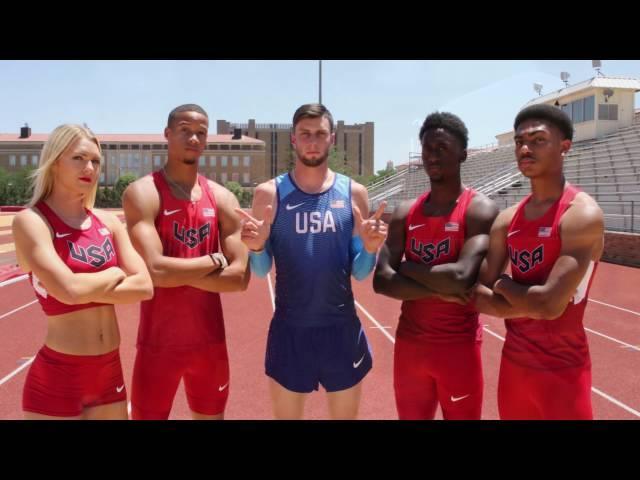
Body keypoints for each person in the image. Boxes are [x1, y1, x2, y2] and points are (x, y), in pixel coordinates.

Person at [236, 103, 387, 419]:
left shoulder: (353, 193)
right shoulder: (269, 193)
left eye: (320, 134)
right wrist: (257, 248)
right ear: (293, 139)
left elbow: (360, 273)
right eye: (305, 134)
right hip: (291, 328)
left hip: (341, 328)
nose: (313, 141)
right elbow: (262, 270)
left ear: (332, 138)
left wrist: (371, 249)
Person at [12, 124, 153, 420]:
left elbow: (143, 286)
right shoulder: (32, 221)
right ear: (55, 162)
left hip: (110, 372)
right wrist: (115, 272)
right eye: (78, 158)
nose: (90, 167)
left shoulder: (108, 222)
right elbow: (68, 291)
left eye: (96, 161)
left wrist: (81, 284)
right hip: (59, 377)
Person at [474, 104, 604, 420]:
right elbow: (474, 293)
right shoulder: (507, 220)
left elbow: (549, 305)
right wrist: (528, 301)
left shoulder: (581, 215)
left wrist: (504, 285)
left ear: (564, 147)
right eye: (519, 141)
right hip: (514, 369)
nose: (525, 148)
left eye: (537, 139)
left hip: (564, 373)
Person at [122, 104, 249, 420]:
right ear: (167, 134)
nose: (193, 137)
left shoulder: (222, 198)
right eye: (184, 130)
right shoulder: (143, 193)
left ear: (206, 141)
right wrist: (214, 260)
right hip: (157, 346)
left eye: (201, 133)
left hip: (210, 344)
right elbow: (154, 270)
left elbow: (240, 278)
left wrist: (173, 271)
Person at [373, 112, 498, 420]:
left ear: (463, 154)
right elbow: (381, 281)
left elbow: (460, 278)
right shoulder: (406, 212)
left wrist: (408, 268)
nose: (432, 155)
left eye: (442, 147)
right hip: (409, 347)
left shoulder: (479, 209)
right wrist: (440, 291)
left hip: (458, 349)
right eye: (427, 148)